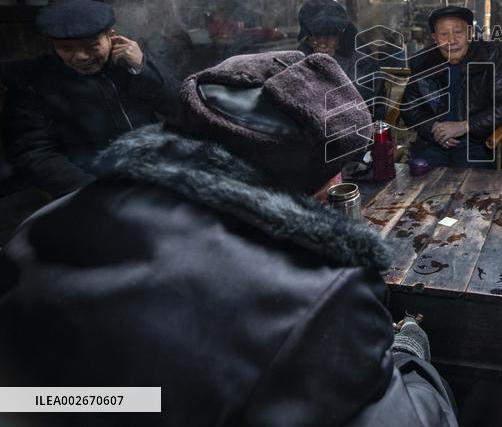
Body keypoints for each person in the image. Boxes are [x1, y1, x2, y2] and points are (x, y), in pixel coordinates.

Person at [0, 51, 459, 426]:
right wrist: (406, 355)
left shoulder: (42, 224)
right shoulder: (314, 293)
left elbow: (35, 400)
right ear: (324, 179)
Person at [1, 0, 178, 198]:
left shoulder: (131, 62)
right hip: (89, 188)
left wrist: (143, 68)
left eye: (91, 46)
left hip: (157, 175)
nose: (80, 56)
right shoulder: (31, 81)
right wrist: (92, 192)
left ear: (111, 37)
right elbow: (33, 153)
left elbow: (180, 108)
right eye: (66, 48)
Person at [401, 5, 502, 168]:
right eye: (444, 34)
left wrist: (465, 126)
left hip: (475, 143)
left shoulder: (488, 56)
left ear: (469, 34)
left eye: (458, 32)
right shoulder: (423, 61)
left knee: (468, 189)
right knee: (419, 183)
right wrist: (433, 128)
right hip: (433, 143)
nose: (452, 41)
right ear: (435, 38)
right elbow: (409, 107)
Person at [297, 0, 379, 112]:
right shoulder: (304, 50)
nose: (321, 45)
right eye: (314, 39)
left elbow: (358, 105)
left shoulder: (362, 60)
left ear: (340, 35)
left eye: (328, 38)